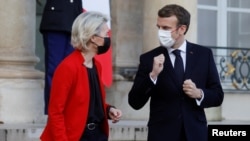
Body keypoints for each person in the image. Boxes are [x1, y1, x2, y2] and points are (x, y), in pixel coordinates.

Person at [128, 4, 224, 141]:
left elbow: (218, 95)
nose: (161, 32)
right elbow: (134, 102)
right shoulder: (149, 58)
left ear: (182, 29)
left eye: (166, 28)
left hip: (195, 134)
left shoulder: (203, 55)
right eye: (159, 27)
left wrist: (199, 93)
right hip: (162, 135)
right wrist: (153, 75)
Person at [40, 11, 122, 141]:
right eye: (105, 34)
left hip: (97, 134)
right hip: (75, 136)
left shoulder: (96, 66)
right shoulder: (68, 67)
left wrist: (108, 110)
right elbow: (55, 112)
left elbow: (89, 104)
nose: (108, 38)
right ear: (93, 38)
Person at [40, 0, 83, 114]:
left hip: (76, 22)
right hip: (56, 22)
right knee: (55, 70)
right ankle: (54, 111)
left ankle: (68, 109)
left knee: (72, 71)